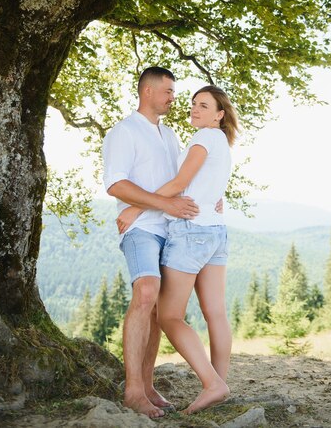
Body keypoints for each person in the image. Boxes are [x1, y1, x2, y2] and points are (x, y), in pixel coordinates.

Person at [117, 85, 239, 414]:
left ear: (219, 114)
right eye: (192, 104)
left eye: (203, 105)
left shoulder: (202, 139)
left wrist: (135, 209)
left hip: (190, 232)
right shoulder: (222, 143)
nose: (194, 109)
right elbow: (209, 185)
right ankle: (219, 383)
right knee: (216, 313)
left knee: (168, 315)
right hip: (216, 231)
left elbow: (177, 184)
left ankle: (213, 384)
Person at [102, 66, 200, 419]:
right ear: (148, 91)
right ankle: (132, 391)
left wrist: (210, 197)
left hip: (172, 229)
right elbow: (115, 184)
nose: (174, 98)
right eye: (169, 91)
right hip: (141, 229)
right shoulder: (123, 132)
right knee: (145, 293)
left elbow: (180, 182)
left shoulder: (170, 135)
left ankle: (146, 384)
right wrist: (142, 208)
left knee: (160, 309)